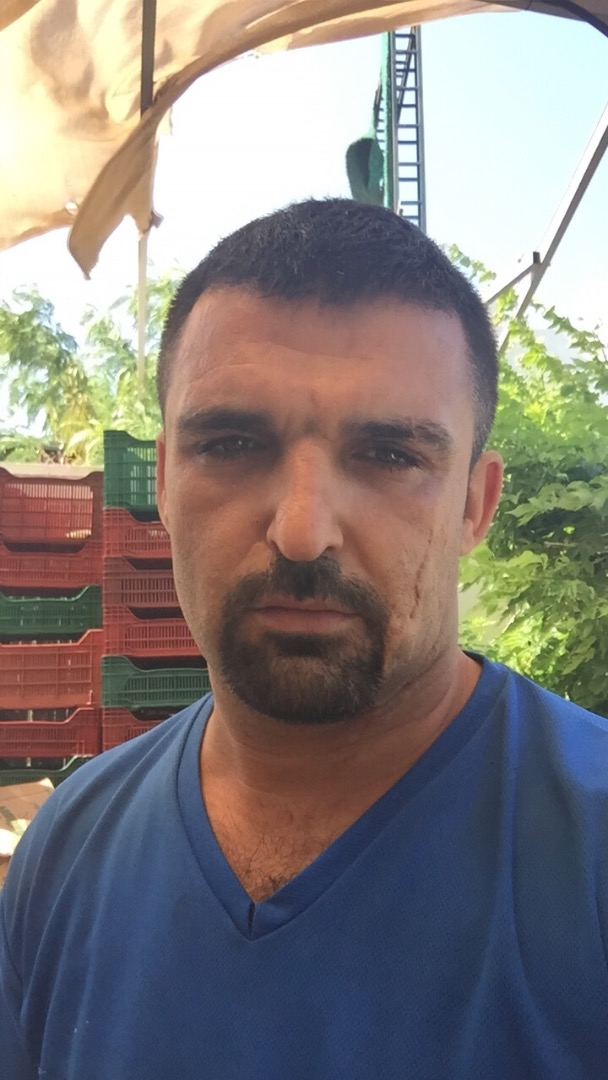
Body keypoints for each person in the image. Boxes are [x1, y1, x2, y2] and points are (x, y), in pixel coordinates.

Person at [1, 199, 607, 1079]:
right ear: (162, 482)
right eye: (232, 443)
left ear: (475, 505)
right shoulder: (69, 850)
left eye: (390, 455)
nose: (301, 532)